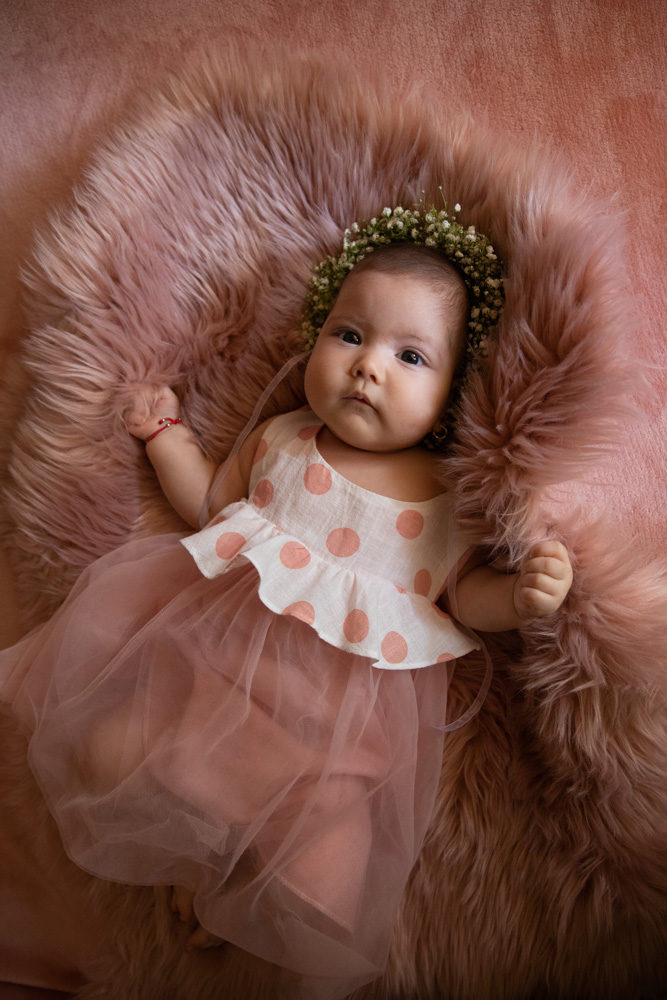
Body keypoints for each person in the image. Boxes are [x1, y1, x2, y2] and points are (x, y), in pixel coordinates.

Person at [1, 207, 572, 999]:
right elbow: (212, 505)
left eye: (409, 356)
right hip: (216, 683)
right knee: (120, 754)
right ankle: (202, 866)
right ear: (316, 335)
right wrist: (166, 435)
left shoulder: (445, 499)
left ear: (452, 393)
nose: (367, 367)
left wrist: (520, 596)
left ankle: (245, 901)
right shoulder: (283, 439)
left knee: (321, 850)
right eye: (348, 335)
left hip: (335, 738)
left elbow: (461, 600)